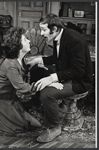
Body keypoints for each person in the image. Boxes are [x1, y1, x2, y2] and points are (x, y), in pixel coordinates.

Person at [26, 13, 93, 142]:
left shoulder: (74, 40)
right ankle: (35, 102)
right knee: (36, 70)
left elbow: (78, 71)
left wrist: (51, 78)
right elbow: (58, 58)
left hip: (79, 80)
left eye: (44, 30)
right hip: (66, 71)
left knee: (47, 94)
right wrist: (40, 60)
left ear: (54, 29)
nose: (42, 33)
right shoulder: (59, 35)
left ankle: (54, 127)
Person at [0, 27, 41, 135]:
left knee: (35, 124)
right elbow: (22, 88)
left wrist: (39, 63)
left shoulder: (21, 58)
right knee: (19, 127)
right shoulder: (10, 64)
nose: (29, 41)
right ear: (18, 45)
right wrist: (43, 84)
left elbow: (24, 70)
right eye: (25, 40)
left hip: (9, 96)